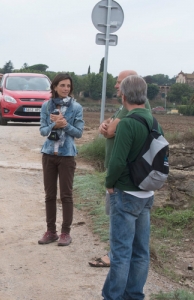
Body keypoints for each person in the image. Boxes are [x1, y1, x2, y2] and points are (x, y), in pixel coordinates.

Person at [102, 75, 158, 300]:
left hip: (125, 193)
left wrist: (109, 184)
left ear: (123, 95)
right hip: (147, 192)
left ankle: (112, 297)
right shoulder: (154, 121)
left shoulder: (127, 123)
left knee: (120, 252)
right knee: (141, 252)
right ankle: (134, 295)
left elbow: (117, 161)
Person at [89, 70, 151, 268]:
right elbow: (106, 126)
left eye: (119, 82)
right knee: (131, 232)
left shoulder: (133, 109)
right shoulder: (127, 109)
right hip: (135, 181)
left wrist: (109, 182)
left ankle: (114, 257)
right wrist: (105, 126)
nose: (116, 86)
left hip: (124, 179)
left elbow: (110, 131)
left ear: (129, 87)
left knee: (119, 220)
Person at [37, 73, 84, 246]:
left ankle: (66, 232)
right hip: (49, 154)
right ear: (55, 87)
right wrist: (53, 125)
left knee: (66, 195)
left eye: (68, 86)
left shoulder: (76, 108)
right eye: (62, 85)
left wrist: (65, 125)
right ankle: (51, 231)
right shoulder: (46, 106)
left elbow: (78, 133)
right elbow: (43, 131)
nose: (66, 89)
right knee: (50, 195)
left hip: (67, 156)